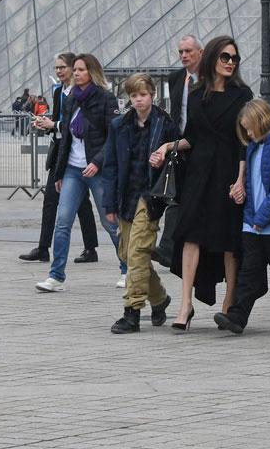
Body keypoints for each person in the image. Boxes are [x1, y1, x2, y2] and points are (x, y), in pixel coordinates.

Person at [150, 35, 251, 330]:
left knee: (229, 241)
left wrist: (241, 179)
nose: (231, 62)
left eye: (234, 58)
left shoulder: (242, 95)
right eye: (225, 57)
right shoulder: (196, 95)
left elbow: (245, 141)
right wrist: (168, 147)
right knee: (191, 235)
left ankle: (228, 304)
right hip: (198, 173)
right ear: (212, 59)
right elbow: (191, 137)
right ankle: (185, 305)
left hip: (228, 172)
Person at [213, 99, 270, 335]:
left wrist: (260, 217)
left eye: (250, 127)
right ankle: (237, 317)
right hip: (254, 223)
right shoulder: (255, 147)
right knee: (248, 272)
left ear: (262, 122)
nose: (248, 133)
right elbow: (255, 187)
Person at [36, 53, 125, 292]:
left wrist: (97, 162)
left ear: (92, 72)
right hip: (73, 170)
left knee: (111, 224)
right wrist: (59, 173)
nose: (76, 73)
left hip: (97, 170)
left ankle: (128, 269)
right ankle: (56, 276)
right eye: (74, 69)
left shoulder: (106, 99)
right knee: (63, 222)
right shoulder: (71, 99)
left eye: (80, 70)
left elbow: (112, 137)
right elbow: (65, 138)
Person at [103, 74, 177, 333]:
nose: (138, 100)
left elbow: (178, 158)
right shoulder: (119, 125)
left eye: (142, 95)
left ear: (152, 94)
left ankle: (131, 311)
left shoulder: (165, 124)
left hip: (150, 197)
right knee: (128, 253)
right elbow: (110, 166)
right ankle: (159, 299)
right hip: (126, 197)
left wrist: (165, 155)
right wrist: (108, 205)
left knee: (136, 253)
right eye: (133, 96)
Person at [20, 53, 99, 265]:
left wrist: (53, 125)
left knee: (82, 203)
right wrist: (46, 123)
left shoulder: (80, 92)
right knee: (51, 200)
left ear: (74, 68)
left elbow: (79, 125)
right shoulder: (59, 92)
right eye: (56, 68)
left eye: (63, 67)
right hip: (61, 153)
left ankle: (90, 248)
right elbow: (59, 121)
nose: (59, 71)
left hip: (78, 154)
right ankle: (44, 247)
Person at [154, 35, 200, 269]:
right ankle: (167, 249)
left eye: (188, 51)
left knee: (185, 200)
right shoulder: (176, 78)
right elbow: (175, 113)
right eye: (180, 51)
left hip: (202, 146)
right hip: (180, 145)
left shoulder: (210, 80)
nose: (183, 55)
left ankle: (172, 248)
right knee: (174, 197)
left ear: (200, 53)